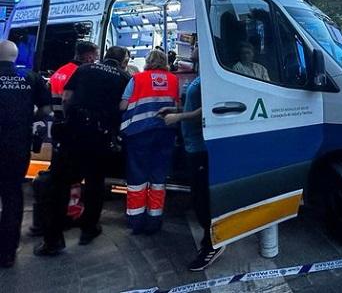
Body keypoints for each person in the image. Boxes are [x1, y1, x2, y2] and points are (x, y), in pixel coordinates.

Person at [34, 46, 131, 256]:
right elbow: (124, 107)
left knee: (60, 184)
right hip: (100, 135)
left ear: (104, 57)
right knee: (95, 183)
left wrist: (70, 119)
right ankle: (89, 228)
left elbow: (67, 96)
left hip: (74, 131)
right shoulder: (125, 77)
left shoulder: (86, 69)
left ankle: (54, 240)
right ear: (123, 60)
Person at [158, 47, 225, 271]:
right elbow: (193, 106)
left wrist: (179, 116)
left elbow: (208, 110)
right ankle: (212, 240)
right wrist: (175, 108)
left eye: (197, 56)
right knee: (198, 198)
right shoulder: (199, 75)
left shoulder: (211, 77)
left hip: (201, 146)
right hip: (192, 144)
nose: (192, 58)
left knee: (202, 200)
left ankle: (213, 243)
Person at [30, 40, 98, 237]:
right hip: (72, 129)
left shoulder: (61, 71)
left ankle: (65, 212)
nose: (96, 59)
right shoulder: (79, 73)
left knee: (59, 174)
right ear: (87, 56)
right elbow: (72, 100)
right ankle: (70, 213)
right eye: (95, 55)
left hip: (57, 127)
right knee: (71, 177)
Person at [0, 40, 51, 267]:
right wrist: (28, 119)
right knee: (13, 196)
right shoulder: (31, 78)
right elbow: (47, 109)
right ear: (15, 56)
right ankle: (7, 252)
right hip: (17, 145)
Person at [120, 49, 179, 234]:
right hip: (165, 132)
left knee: (137, 177)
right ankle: (155, 219)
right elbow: (176, 105)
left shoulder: (137, 78)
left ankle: (136, 220)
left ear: (148, 61)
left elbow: (123, 105)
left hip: (139, 132)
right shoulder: (174, 79)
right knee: (159, 177)